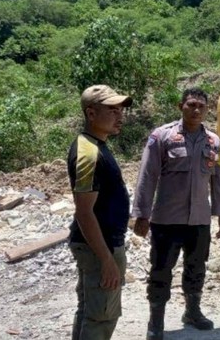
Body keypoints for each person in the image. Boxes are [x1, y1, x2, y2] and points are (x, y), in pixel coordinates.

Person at [132, 87, 220, 339]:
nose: (196, 110)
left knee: (197, 267)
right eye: (191, 105)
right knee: (161, 270)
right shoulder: (161, 136)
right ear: (180, 106)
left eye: (201, 106)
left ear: (207, 110)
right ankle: (156, 322)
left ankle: (192, 312)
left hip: (199, 221)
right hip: (166, 220)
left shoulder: (214, 142)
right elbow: (147, 176)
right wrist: (141, 214)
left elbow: (218, 180)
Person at [67, 84, 133, 340]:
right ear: (91, 114)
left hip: (100, 244)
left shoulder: (96, 144)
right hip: (99, 247)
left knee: (89, 312)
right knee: (101, 317)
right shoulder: (88, 154)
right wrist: (106, 260)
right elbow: (84, 212)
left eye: (121, 111)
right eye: (112, 110)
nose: (120, 116)